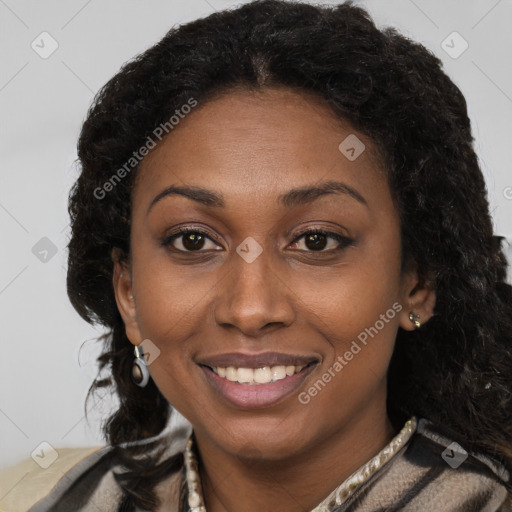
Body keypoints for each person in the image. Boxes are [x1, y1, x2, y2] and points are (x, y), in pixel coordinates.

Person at [2, 0, 512, 510]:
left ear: (416, 283)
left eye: (317, 240)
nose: (250, 310)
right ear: (129, 292)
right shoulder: (45, 497)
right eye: (192, 240)